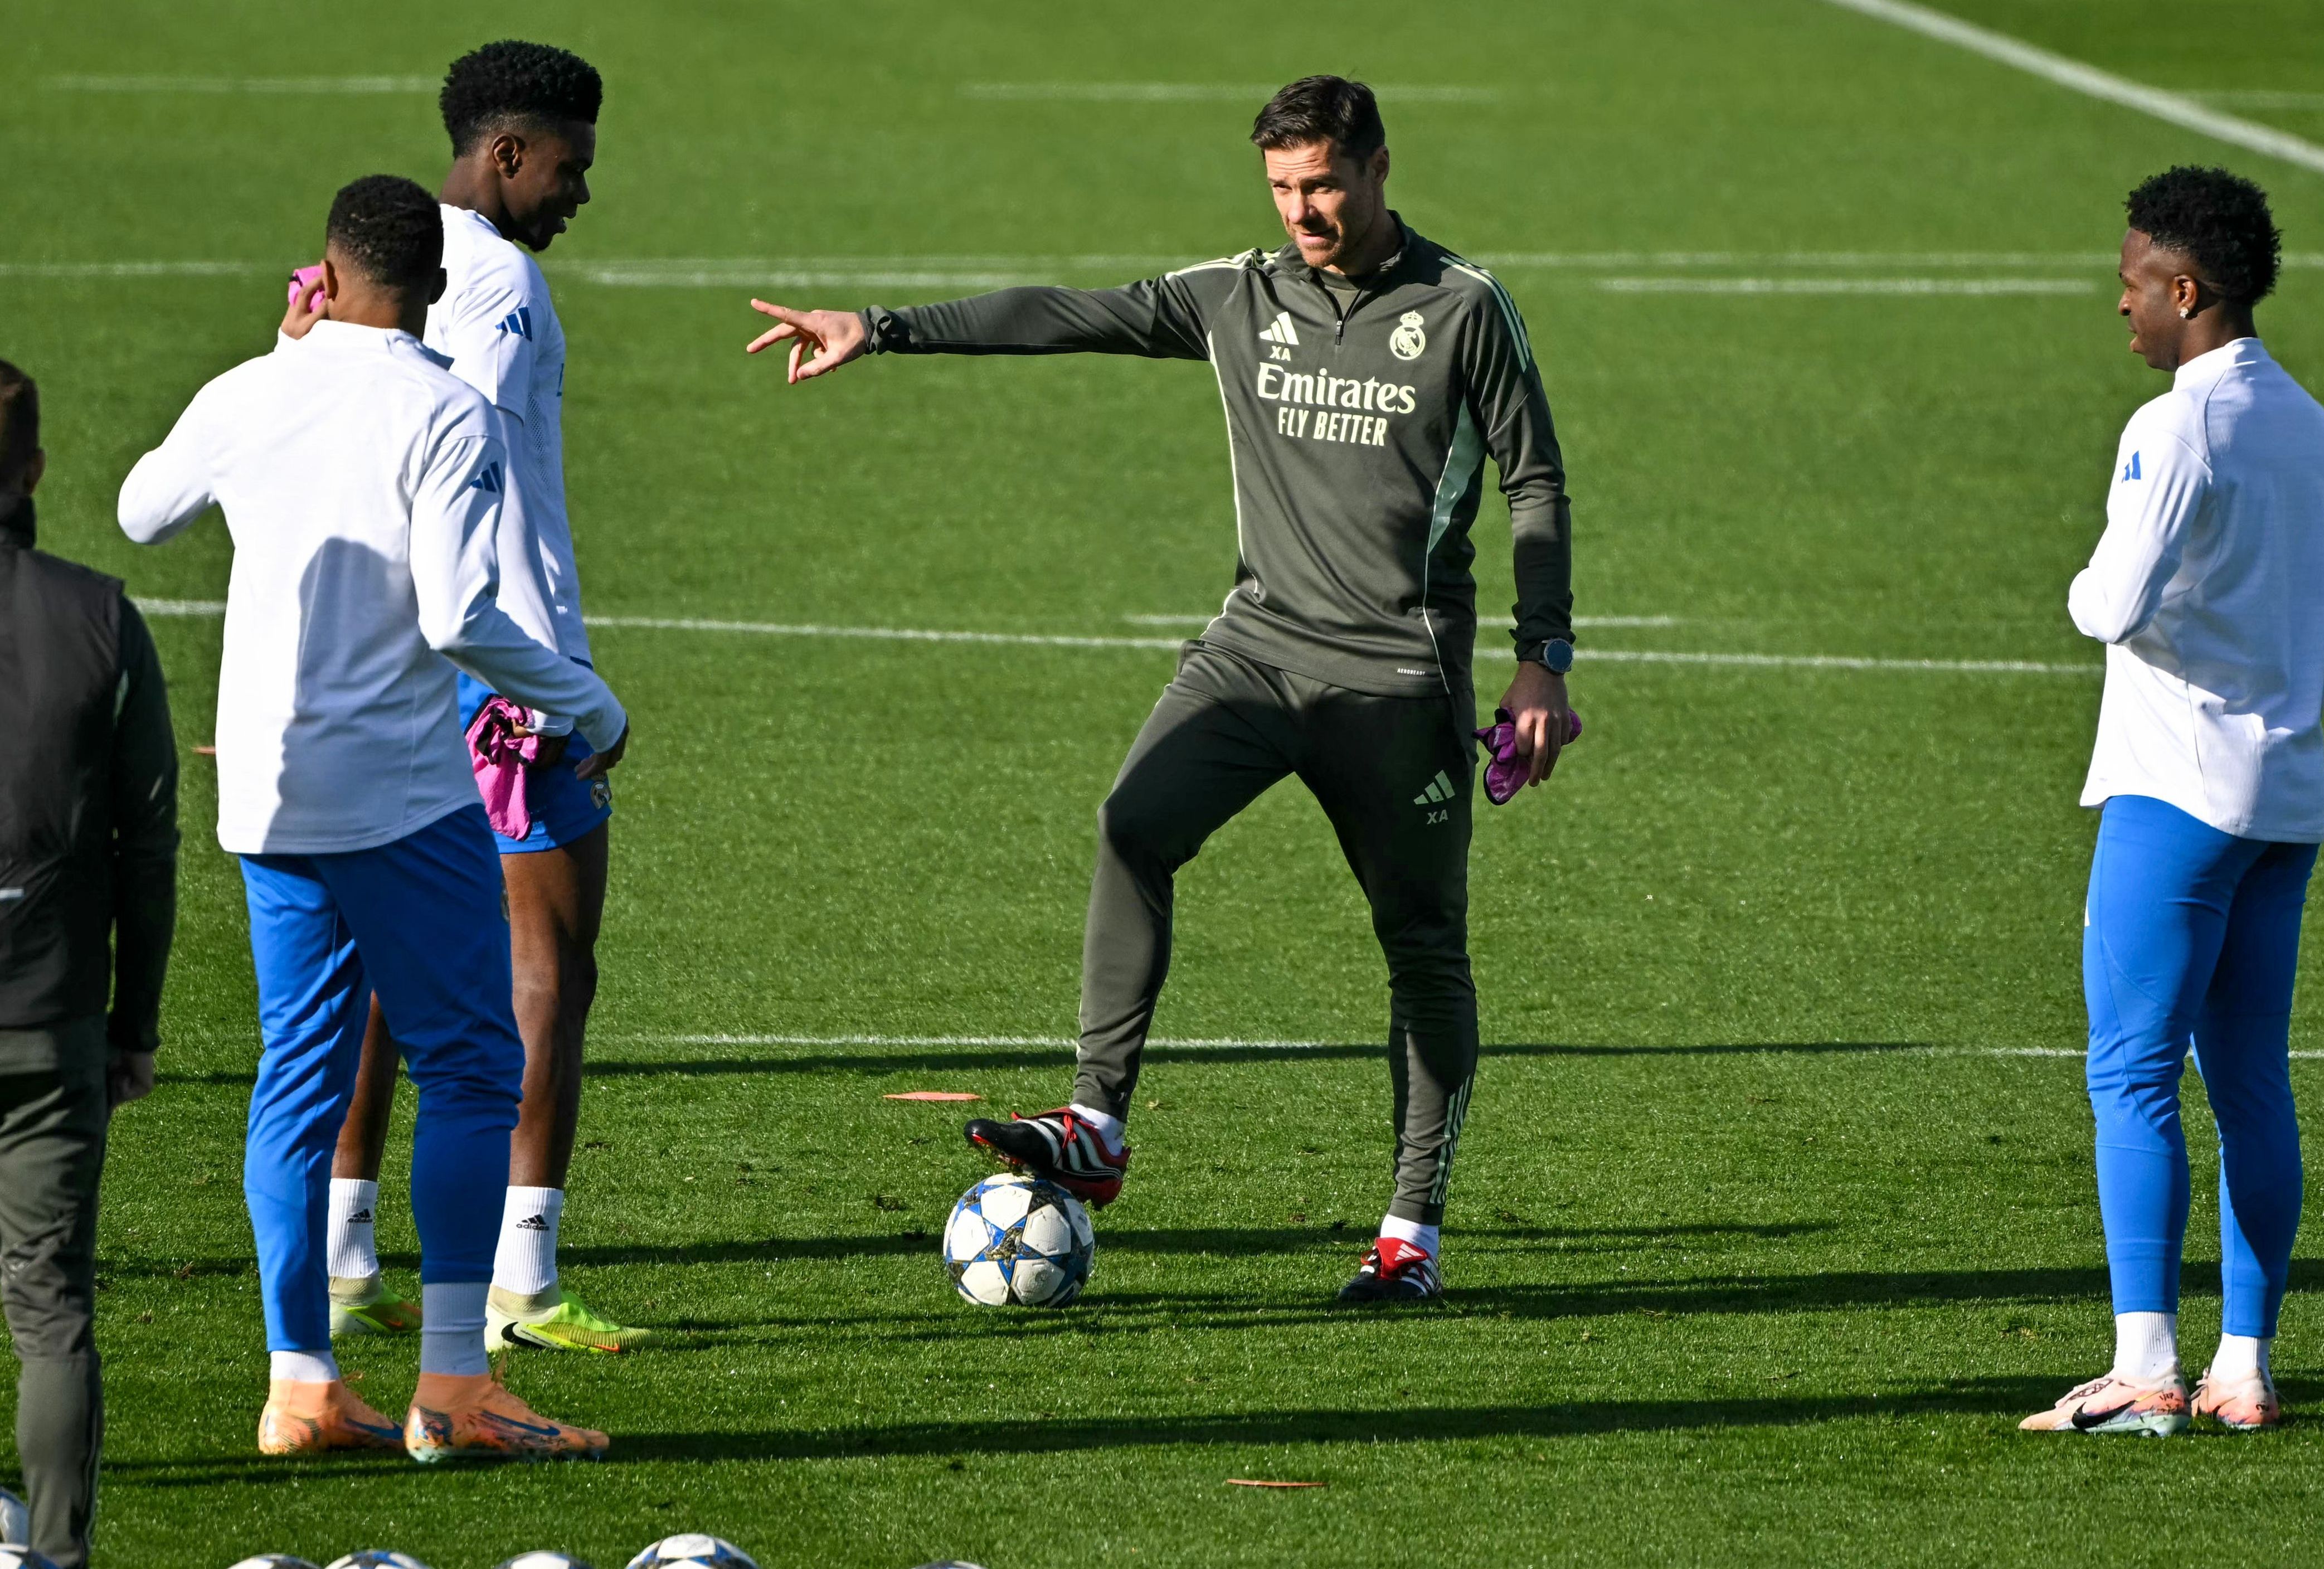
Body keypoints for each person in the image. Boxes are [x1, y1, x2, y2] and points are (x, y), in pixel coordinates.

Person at [743, 75, 1578, 1303]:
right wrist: (883, 325)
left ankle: (1410, 1232)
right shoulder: (1240, 294)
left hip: (1398, 680)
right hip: (1254, 650)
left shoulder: (1463, 307)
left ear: (1378, 168)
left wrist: (1541, 655)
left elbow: (1534, 481)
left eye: (1322, 185)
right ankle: (1097, 1122)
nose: (1302, 211)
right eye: (1283, 187)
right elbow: (1070, 314)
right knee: (1133, 824)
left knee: (1420, 945)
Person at [119, 174, 626, 1460]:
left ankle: (299, 1384)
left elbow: (141, 511)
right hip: (402, 802)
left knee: (296, 1078)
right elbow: (460, 616)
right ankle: (454, 1384)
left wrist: (274, 356)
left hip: (268, 795)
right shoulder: (445, 410)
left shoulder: (248, 391)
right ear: (437, 287)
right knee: (472, 1066)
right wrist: (585, 699)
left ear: (326, 273)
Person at [319, 39, 650, 1357]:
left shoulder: (378, 273)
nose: (580, 193)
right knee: (549, 970)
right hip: (505, 676)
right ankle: (524, 1279)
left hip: (387, 670)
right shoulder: (500, 283)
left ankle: (345, 1254)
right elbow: (486, 492)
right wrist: (559, 687)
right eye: (569, 167)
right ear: (507, 153)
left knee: (387, 964)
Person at [2024, 167, 2324, 1436]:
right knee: (2252, 1079)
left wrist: (2090, 582)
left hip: (2176, 794)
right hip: (2286, 794)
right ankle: (2243, 1366)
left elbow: (2106, 604)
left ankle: (2146, 1368)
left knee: (2132, 1072)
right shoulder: (2311, 426)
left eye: (2132, 283)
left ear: (2185, 288)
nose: (2120, 304)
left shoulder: (2174, 427)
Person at [0, 359, 176, 1567]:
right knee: (50, 1304)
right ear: (36, 470)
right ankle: (59, 1554)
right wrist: (135, 1024)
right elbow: (147, 843)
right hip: (50, 1006)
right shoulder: (101, 617)